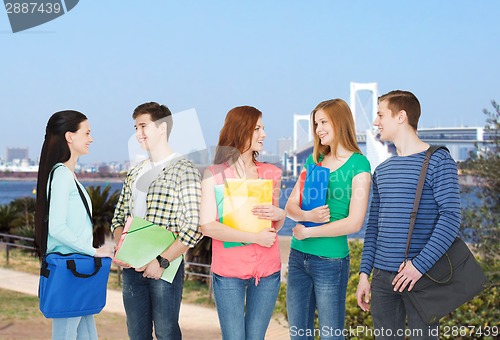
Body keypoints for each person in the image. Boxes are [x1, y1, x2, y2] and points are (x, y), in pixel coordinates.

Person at [356, 90, 461, 339]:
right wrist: (364, 274)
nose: (375, 122)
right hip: (382, 280)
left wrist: (419, 266)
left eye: (381, 114)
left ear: (401, 116)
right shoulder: (381, 170)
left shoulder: (439, 160)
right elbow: (374, 227)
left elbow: (451, 218)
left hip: (421, 278)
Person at [110, 102, 202, 340]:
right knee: (137, 334)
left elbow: (193, 227)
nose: (138, 133)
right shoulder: (135, 171)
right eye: (136, 127)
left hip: (164, 268)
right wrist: (124, 251)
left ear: (162, 128)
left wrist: (160, 262)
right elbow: (118, 217)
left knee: (166, 333)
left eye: (144, 126)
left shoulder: (185, 169)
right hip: (132, 269)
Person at [285, 99, 371, 340]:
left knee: (331, 335)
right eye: (315, 124)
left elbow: (355, 223)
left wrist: (309, 231)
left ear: (340, 122)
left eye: (323, 122)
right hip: (298, 256)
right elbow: (290, 205)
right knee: (298, 334)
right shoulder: (314, 161)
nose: (318, 129)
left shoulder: (359, 165)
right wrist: (306, 216)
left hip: (331, 262)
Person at [200, 106, 286, 340]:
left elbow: (274, 225)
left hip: (268, 270)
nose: (264, 134)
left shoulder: (271, 173)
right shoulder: (214, 174)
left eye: (263, 128)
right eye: (257, 128)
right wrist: (254, 238)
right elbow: (207, 226)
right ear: (241, 130)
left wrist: (281, 215)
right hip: (229, 272)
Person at [34, 110, 110, 340]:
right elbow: (57, 228)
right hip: (70, 270)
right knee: (67, 335)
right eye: (86, 133)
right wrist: (94, 251)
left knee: (87, 336)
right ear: (69, 136)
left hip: (76, 271)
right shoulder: (61, 175)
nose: (91, 138)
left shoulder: (67, 174)